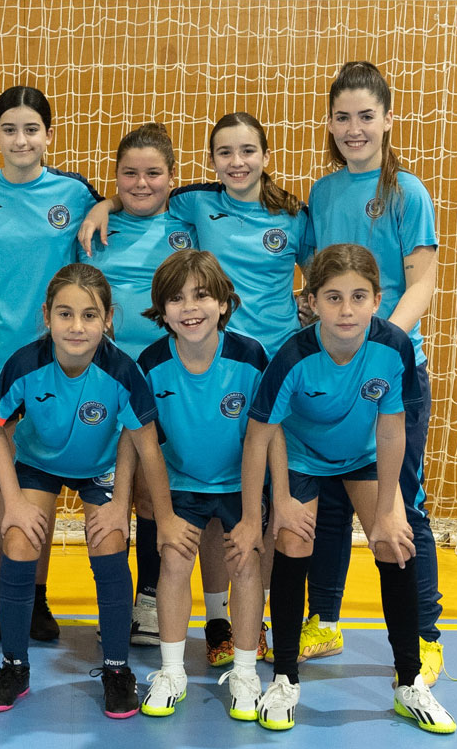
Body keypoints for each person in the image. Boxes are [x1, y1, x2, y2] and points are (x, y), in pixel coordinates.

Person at [81, 112, 311, 666]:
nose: (237, 161)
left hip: (263, 372)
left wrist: (314, 316)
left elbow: (321, 272)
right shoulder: (193, 204)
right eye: (225, 152)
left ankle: (268, 621)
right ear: (209, 163)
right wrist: (103, 204)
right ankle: (201, 616)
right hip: (175, 372)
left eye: (248, 150)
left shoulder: (292, 215)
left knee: (262, 507)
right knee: (190, 493)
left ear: (266, 155)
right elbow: (141, 195)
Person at [0, 263, 186, 718]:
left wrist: (151, 513)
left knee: (109, 540)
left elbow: (147, 450)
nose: (76, 326)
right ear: (46, 316)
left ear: (108, 319)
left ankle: (117, 669)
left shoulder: (123, 372)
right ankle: (14, 666)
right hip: (37, 465)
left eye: (89, 315)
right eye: (65, 314)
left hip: (99, 470)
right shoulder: (25, 364)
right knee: (19, 538)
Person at [244, 243, 455, 735]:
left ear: (377, 301)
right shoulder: (293, 356)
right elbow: (259, 437)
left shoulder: (393, 347)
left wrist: (389, 510)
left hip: (362, 455)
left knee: (395, 543)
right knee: (293, 538)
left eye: (358, 297)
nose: (346, 310)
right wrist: (269, 509)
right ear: (312, 302)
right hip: (302, 457)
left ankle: (409, 683)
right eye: (333, 298)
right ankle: (285, 678)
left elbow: (392, 429)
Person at [302, 61, 444, 685]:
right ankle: (324, 621)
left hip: (391, 374)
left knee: (402, 504)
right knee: (332, 497)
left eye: (365, 116)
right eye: (342, 117)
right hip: (333, 372)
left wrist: (380, 345)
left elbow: (422, 283)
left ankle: (425, 635)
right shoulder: (323, 192)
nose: (353, 128)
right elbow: (317, 280)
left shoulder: (408, 193)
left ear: (388, 119)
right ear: (330, 124)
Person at [0, 86, 102, 643]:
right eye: (9, 130)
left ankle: (35, 597)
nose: (21, 140)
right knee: (1, 479)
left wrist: (106, 204)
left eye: (31, 129)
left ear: (48, 135)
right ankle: (1, 596)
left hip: (55, 360)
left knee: (40, 476)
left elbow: (111, 215)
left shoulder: (74, 193)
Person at [135, 249, 269, 722]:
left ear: (223, 304)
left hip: (238, 483)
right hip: (181, 483)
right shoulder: (151, 363)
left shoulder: (251, 357)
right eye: (176, 299)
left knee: (246, 563)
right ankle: (172, 672)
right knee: (173, 562)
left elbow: (264, 438)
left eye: (202, 296)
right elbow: (146, 444)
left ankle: (246, 673)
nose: (189, 308)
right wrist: (164, 515)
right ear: (161, 309)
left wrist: (253, 515)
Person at [77, 122, 195, 646]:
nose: (141, 183)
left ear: (172, 177)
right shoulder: (93, 226)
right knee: (107, 495)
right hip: (101, 381)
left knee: (150, 494)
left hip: (165, 383)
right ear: (115, 177)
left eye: (153, 173)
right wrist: (104, 204)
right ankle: (111, 600)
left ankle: (147, 600)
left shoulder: (190, 225)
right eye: (129, 173)